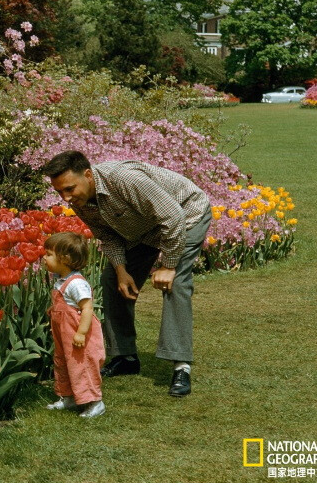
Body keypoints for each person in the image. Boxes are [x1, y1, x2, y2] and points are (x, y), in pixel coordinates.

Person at [42, 151, 211, 397]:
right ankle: (126, 357)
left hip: (186, 216)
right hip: (144, 229)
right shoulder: (81, 201)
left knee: (175, 283)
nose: (66, 198)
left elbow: (172, 217)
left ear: (88, 175)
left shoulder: (124, 179)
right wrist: (121, 271)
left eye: (69, 189)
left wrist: (169, 265)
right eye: (60, 192)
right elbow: (108, 236)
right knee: (111, 281)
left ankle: (181, 366)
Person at [43, 231, 106, 417]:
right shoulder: (61, 280)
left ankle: (95, 402)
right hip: (64, 333)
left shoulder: (76, 283)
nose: (44, 258)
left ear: (64, 259)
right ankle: (68, 397)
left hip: (77, 333)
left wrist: (81, 333)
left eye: (48, 254)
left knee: (82, 364)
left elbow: (87, 309)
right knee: (63, 362)